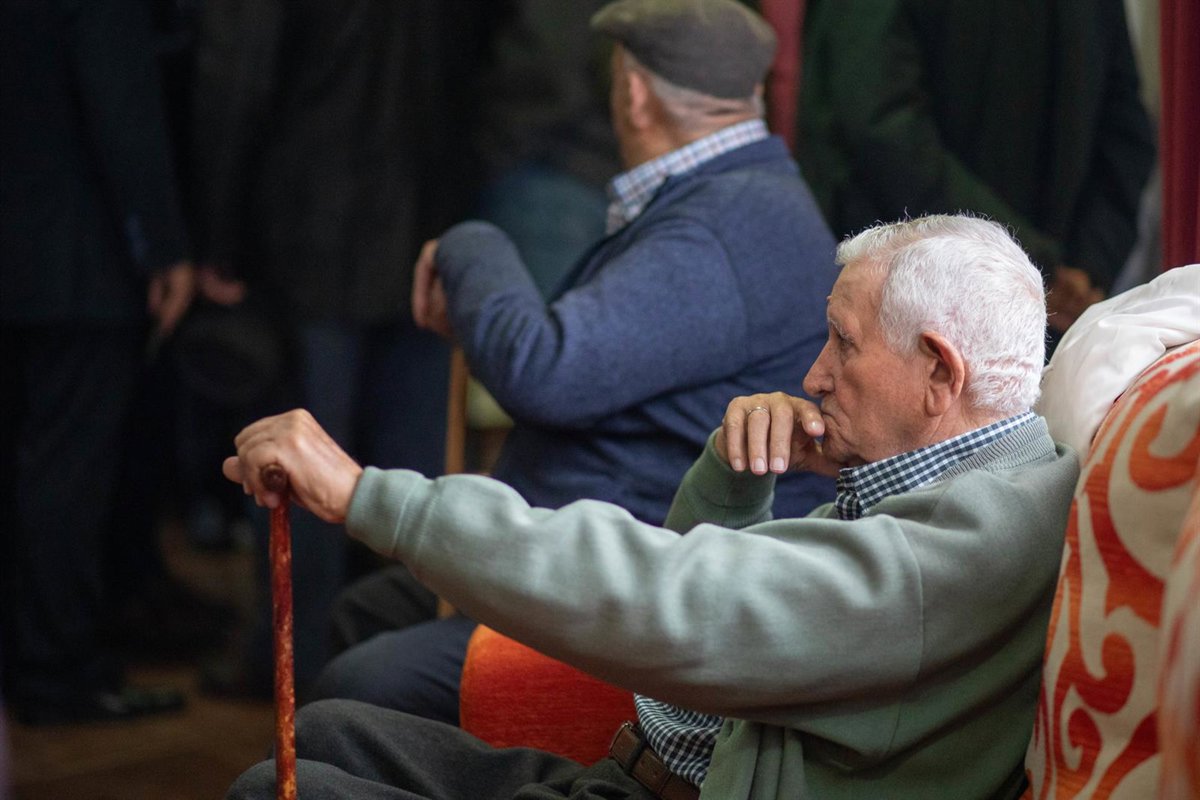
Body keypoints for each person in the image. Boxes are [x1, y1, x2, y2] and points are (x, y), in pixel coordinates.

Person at [223, 212, 1079, 799]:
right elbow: (717, 644)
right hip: (648, 775)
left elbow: (671, 604)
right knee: (329, 733)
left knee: (277, 787)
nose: (815, 376)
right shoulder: (972, 482)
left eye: (843, 344)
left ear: (940, 373)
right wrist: (737, 475)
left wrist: (369, 497)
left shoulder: (956, 551)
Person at [314, 0, 839, 724]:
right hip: (612, 550)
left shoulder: (722, 225)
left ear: (633, 93)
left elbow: (543, 371)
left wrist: (470, 243)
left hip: (634, 587)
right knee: (368, 612)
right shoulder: (741, 194)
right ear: (750, 93)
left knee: (359, 681)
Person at [188, 0, 497, 696]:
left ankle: (291, 671)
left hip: (306, 231)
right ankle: (397, 680)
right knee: (412, 474)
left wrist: (216, 239)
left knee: (297, 469)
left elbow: (236, 78)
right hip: (426, 227)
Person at [0, 0, 195, 724]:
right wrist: (166, 247)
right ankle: (58, 671)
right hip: (76, 259)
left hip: (29, 252)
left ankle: (32, 660)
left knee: (31, 470)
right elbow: (122, 104)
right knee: (66, 477)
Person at [796, 0, 1156, 341]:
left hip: (917, 296)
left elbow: (877, 125)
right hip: (1044, 300)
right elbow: (1127, 134)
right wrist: (1079, 268)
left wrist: (1057, 265)